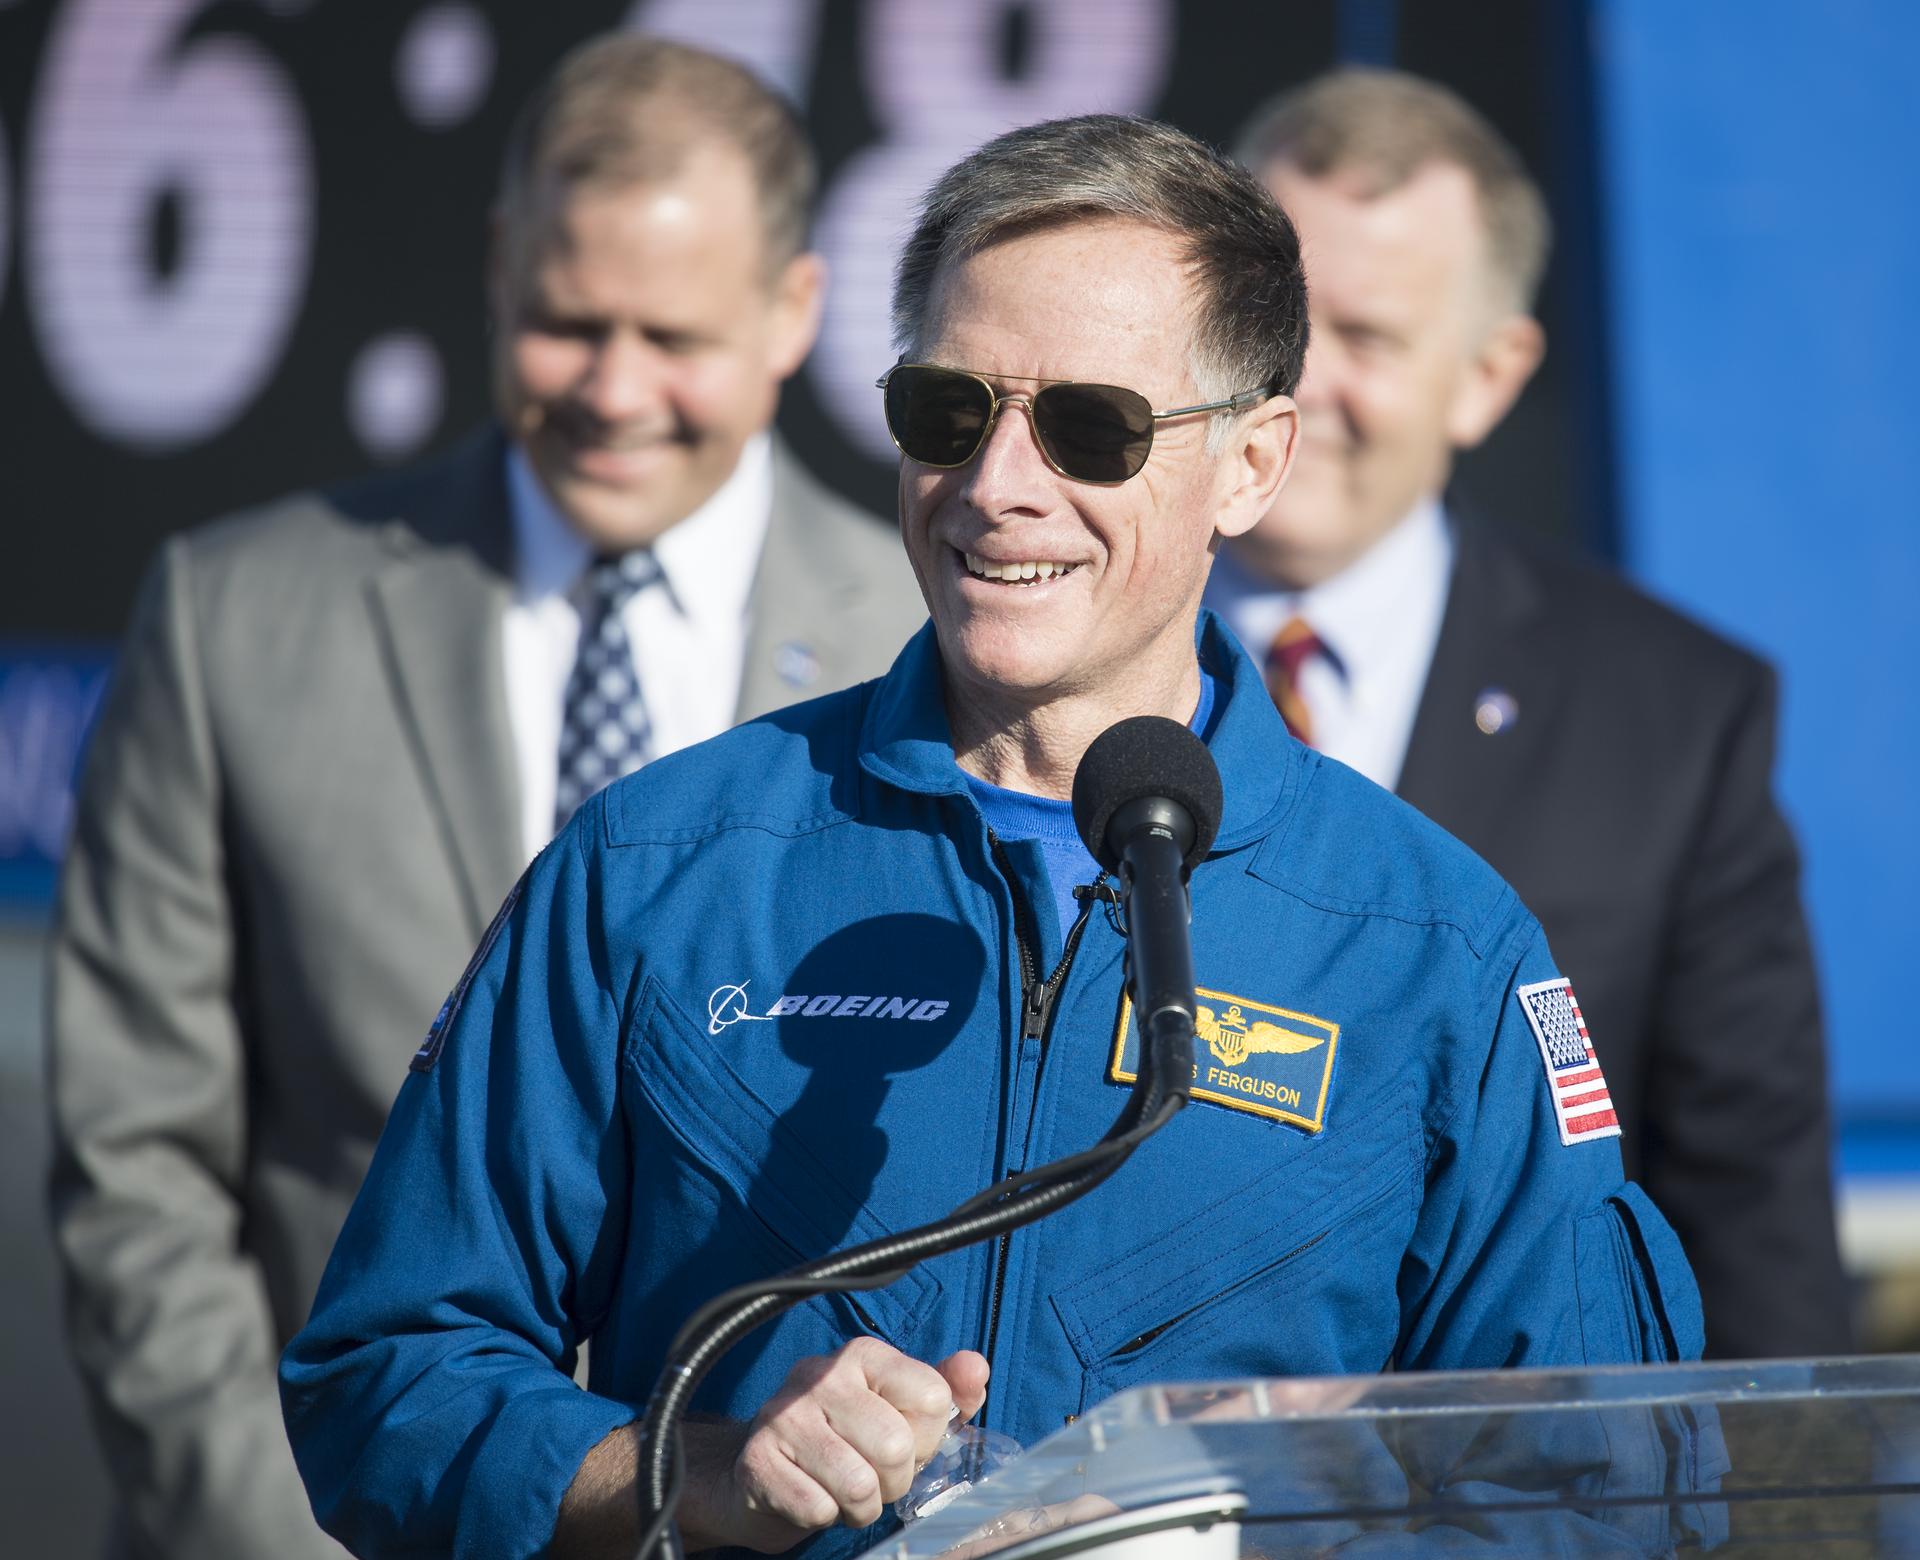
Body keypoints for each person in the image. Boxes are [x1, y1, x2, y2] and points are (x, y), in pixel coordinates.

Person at [281, 113, 1706, 1560]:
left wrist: (1220, 1538)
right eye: (947, 412)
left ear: (1252, 462)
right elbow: (386, 1378)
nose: (996, 485)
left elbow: (1590, 1496)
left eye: (1091, 428)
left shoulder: (1436, 949)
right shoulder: (658, 866)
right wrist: (698, 1476)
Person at [46, 34, 923, 1560]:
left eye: (673, 336)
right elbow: (138, 1164)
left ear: (794, 311)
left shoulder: (921, 649)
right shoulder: (233, 617)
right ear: (502, 265)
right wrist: (296, 1528)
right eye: (569, 323)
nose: (614, 389)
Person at [1208, 68, 1849, 1360]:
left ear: (1489, 377)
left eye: (1370, 339)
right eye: (1274, 323)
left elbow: (1749, 1221)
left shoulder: (1672, 718)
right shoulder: (1027, 636)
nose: (1300, 388)